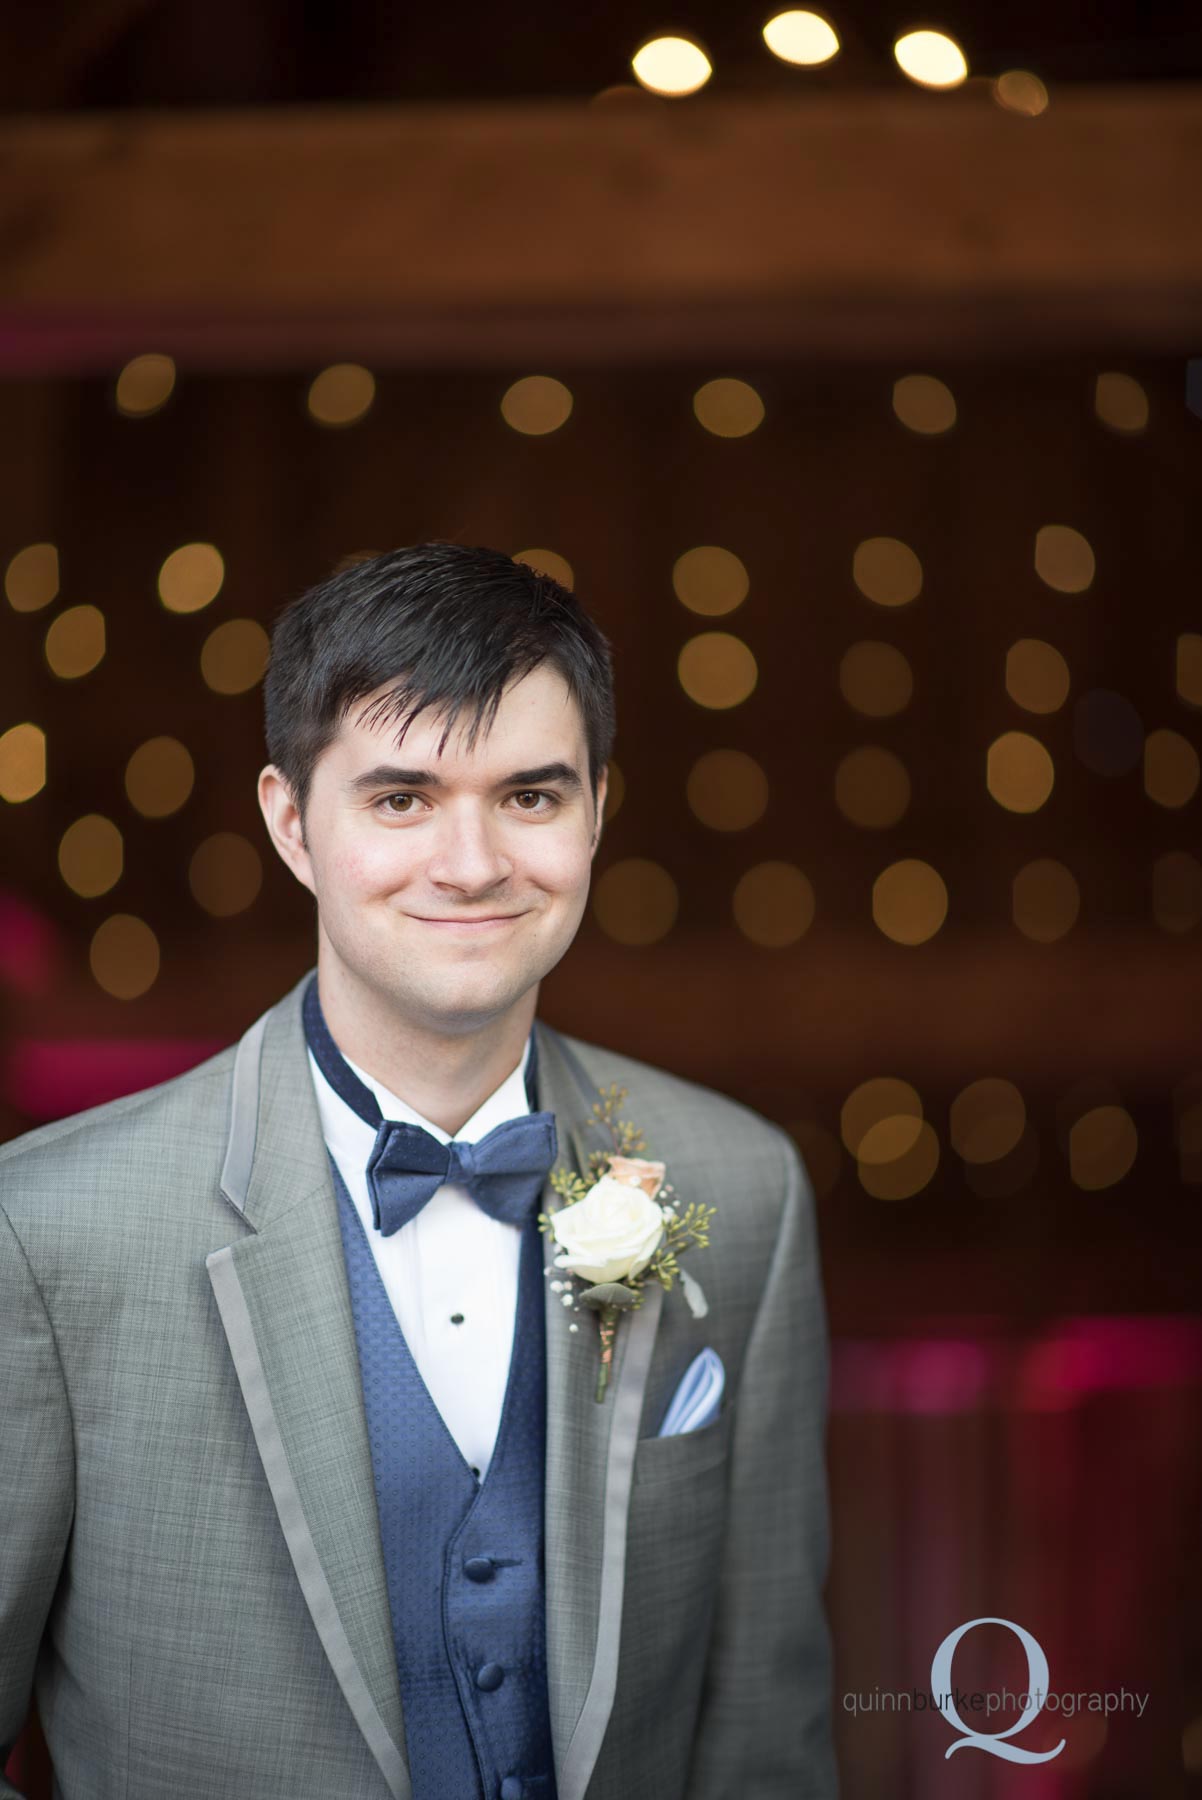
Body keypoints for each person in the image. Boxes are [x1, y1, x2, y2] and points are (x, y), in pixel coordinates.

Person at [0, 543, 837, 1800]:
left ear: (598, 808)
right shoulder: (46, 1230)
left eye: (530, 796)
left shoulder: (741, 1187)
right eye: (400, 800)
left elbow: (767, 1737)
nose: (471, 863)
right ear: (291, 822)